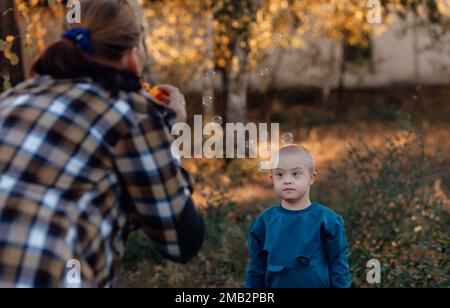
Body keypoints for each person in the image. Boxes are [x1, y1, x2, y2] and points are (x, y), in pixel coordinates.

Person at [0, 0, 203, 287]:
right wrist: (173, 134)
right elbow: (182, 240)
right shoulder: (132, 112)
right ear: (133, 56)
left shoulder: (13, 98)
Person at [245, 145, 351, 288]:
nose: (287, 180)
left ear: (311, 178)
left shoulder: (327, 220)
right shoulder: (264, 222)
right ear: (272, 179)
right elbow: (256, 269)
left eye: (295, 174)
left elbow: (339, 265)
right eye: (280, 174)